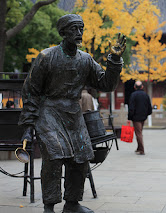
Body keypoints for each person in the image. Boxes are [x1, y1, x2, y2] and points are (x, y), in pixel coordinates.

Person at [18, 14, 126, 213]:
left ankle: (72, 203)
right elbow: (31, 91)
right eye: (74, 29)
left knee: (82, 156)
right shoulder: (46, 57)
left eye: (81, 29)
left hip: (73, 113)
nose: (79, 33)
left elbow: (106, 84)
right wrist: (28, 125)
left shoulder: (85, 59)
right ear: (62, 32)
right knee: (54, 156)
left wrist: (115, 60)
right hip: (49, 111)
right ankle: (49, 206)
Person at [128, 81, 152, 155]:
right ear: (142, 87)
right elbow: (149, 106)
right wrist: (147, 114)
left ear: (134, 87)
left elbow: (131, 107)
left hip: (136, 117)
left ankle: (142, 150)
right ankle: (139, 147)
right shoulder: (146, 95)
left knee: (138, 133)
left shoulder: (133, 95)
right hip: (143, 116)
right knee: (139, 132)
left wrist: (129, 117)